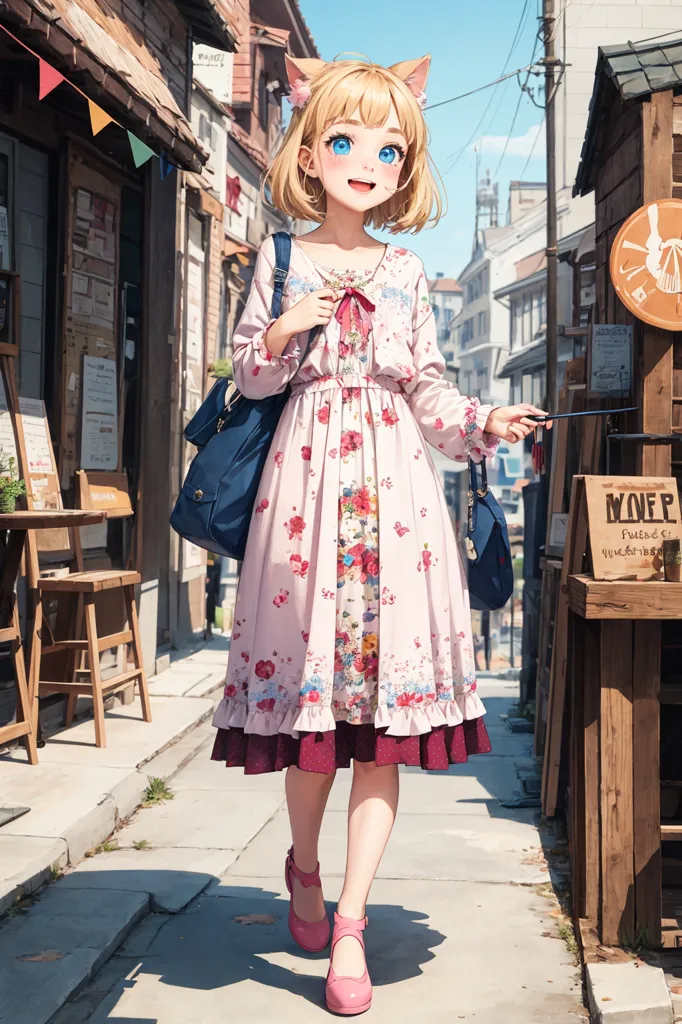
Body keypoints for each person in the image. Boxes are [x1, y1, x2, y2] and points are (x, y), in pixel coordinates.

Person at [211, 53, 545, 1016]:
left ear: (405, 167)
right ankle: (304, 871)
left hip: (397, 505)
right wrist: (281, 333)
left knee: (377, 736)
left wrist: (483, 421)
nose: (367, 160)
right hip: (305, 506)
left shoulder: (406, 271)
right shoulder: (278, 259)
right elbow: (247, 380)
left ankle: (350, 923)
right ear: (312, 153)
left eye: (388, 147)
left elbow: (428, 391)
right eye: (347, 140)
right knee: (315, 724)